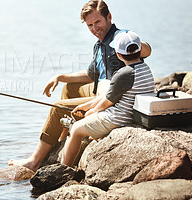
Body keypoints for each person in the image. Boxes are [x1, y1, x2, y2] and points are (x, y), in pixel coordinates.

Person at [8, 0, 152, 172]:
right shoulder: (98, 46)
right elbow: (90, 75)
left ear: (109, 17)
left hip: (111, 99)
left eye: (98, 22)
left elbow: (146, 51)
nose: (94, 28)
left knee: (58, 107)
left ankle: (34, 161)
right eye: (90, 25)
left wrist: (134, 44)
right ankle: (62, 141)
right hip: (98, 91)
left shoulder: (120, 37)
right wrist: (60, 77)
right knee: (69, 87)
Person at [61, 31, 155, 166]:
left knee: (75, 129)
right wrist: (86, 106)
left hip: (118, 118)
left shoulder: (124, 74)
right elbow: (109, 95)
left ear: (118, 54)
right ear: (139, 50)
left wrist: (92, 112)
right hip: (133, 114)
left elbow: (106, 102)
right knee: (89, 113)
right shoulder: (145, 68)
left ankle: (64, 167)